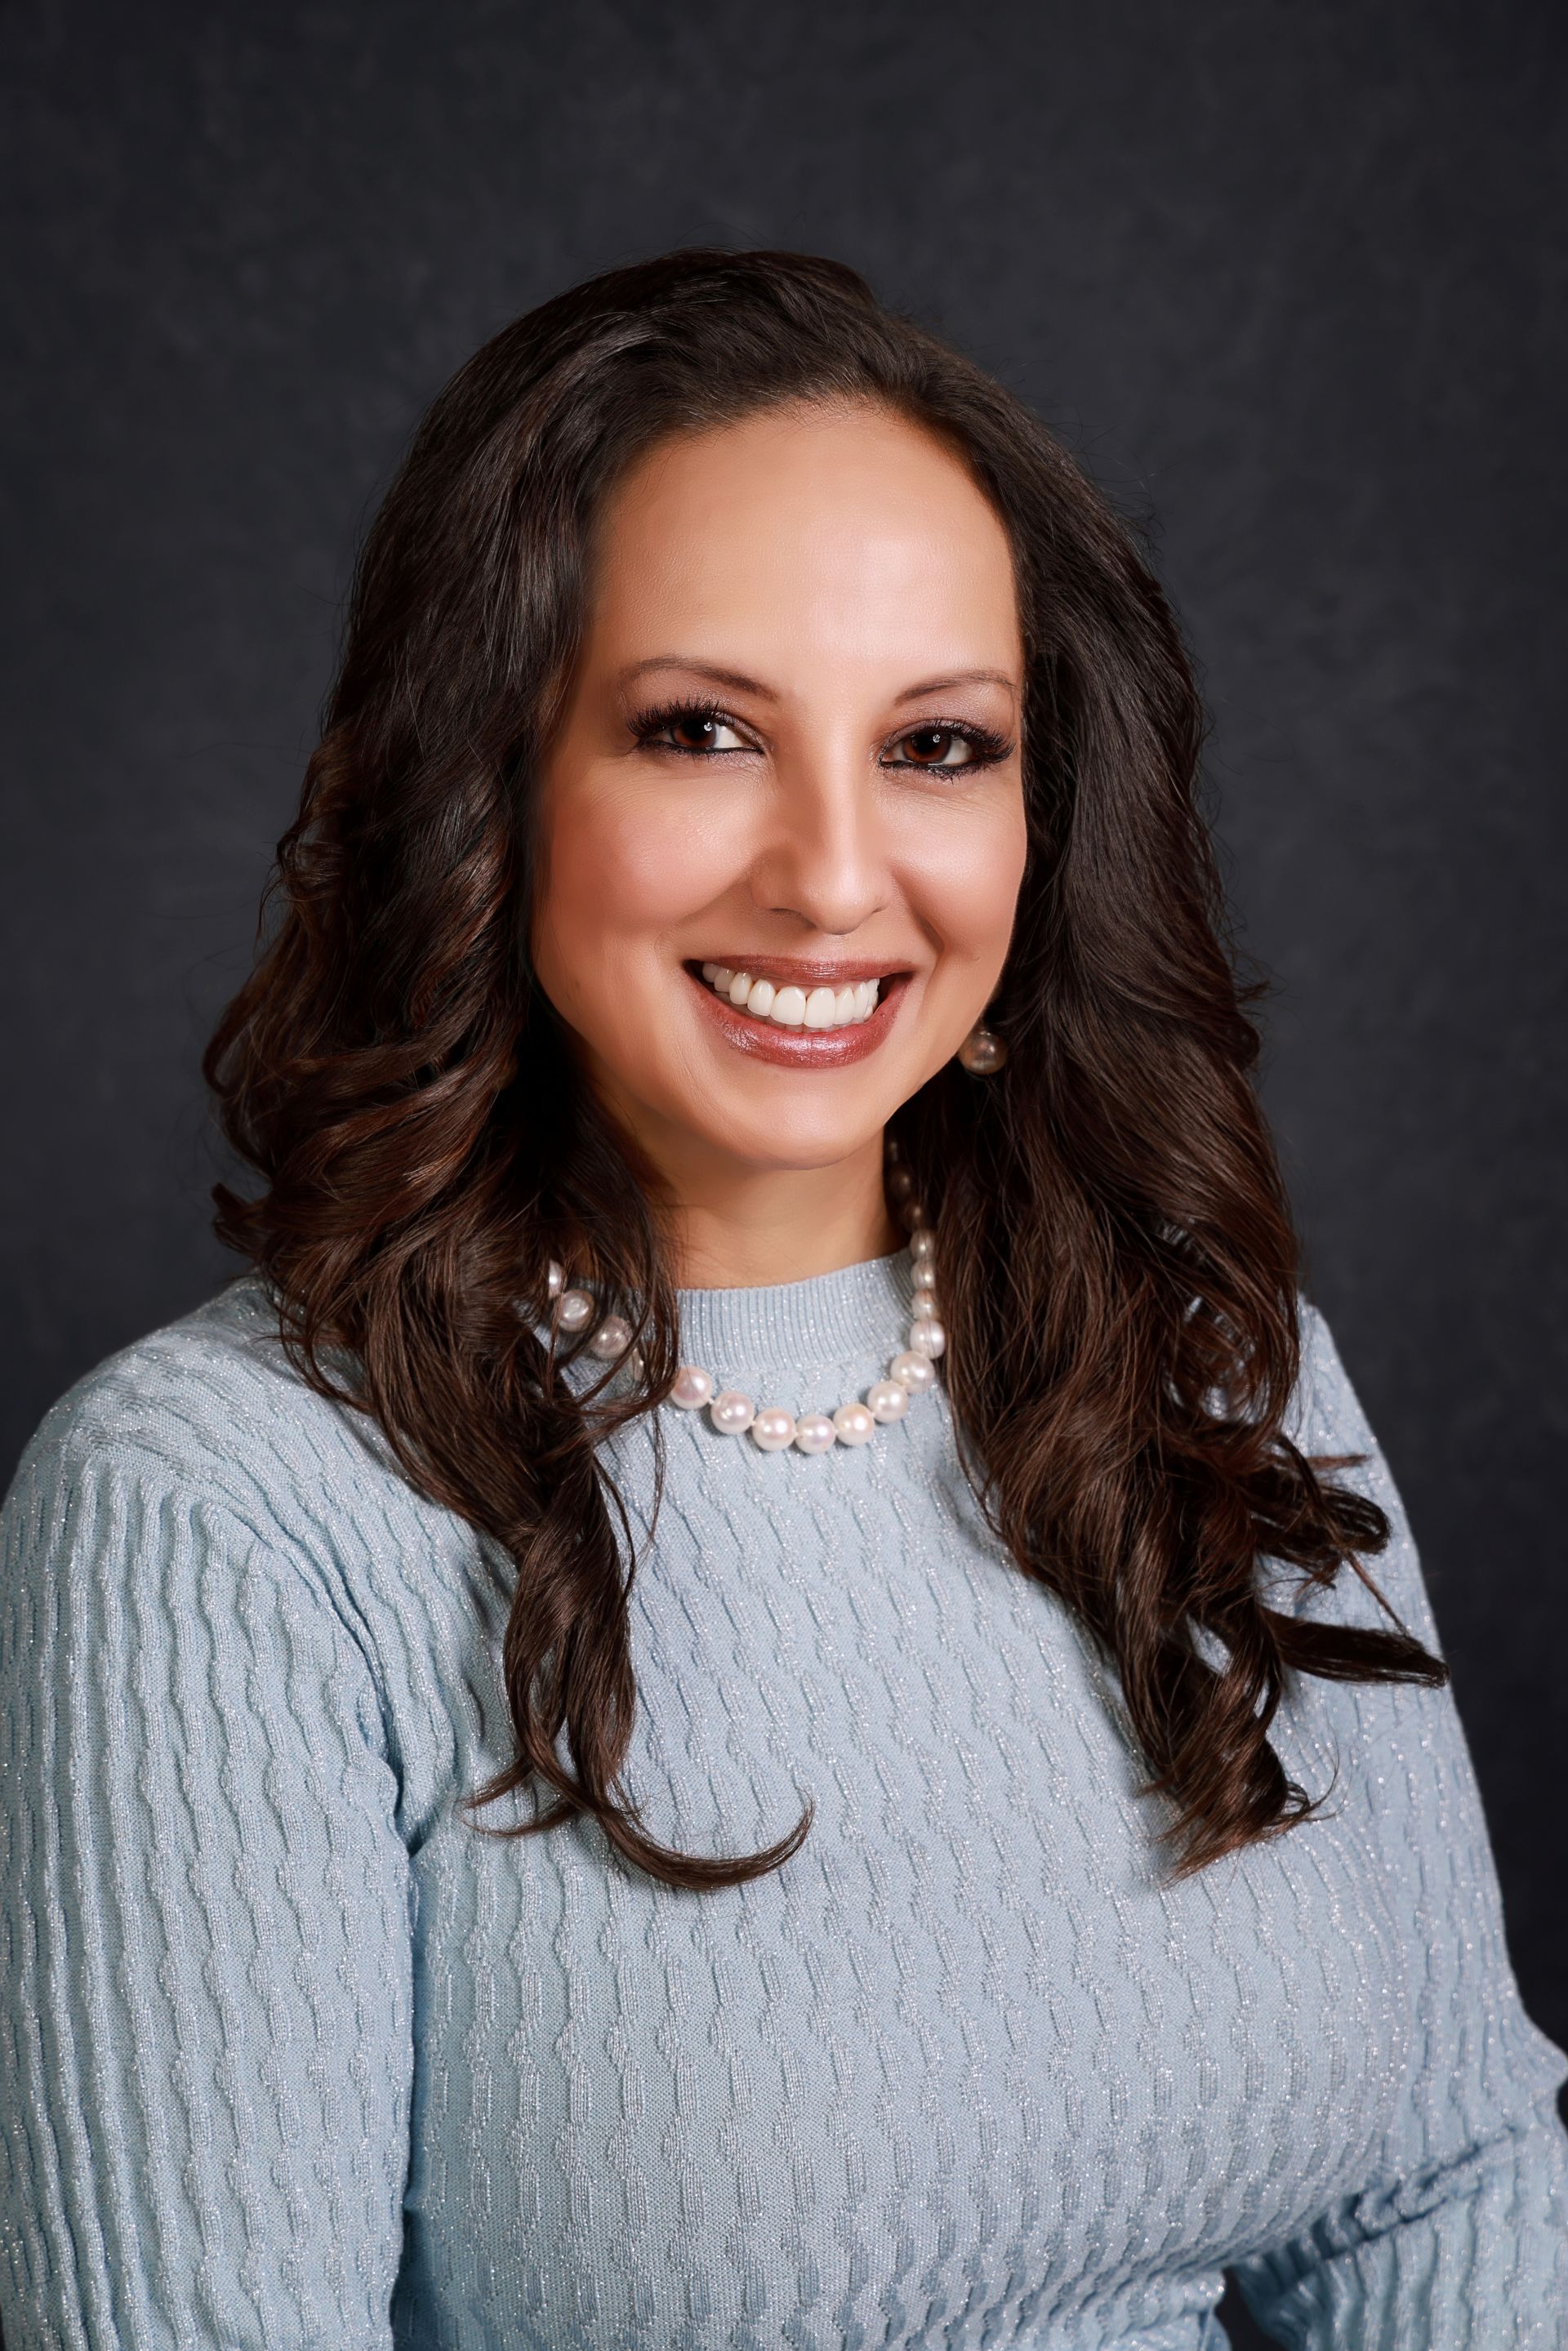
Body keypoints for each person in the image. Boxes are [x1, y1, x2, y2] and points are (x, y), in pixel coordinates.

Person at [1, 248, 1562, 2351]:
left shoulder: (1208, 1355)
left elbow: (1442, 2193)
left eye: (939, 744)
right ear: (494, 783)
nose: (835, 877)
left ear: (1043, 812)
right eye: (703, 730)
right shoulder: (220, 1514)